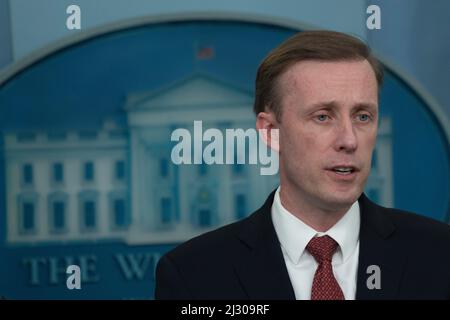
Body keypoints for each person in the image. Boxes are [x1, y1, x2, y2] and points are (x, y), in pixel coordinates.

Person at [154, 30, 450, 300]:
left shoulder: (440, 254)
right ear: (271, 132)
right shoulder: (193, 276)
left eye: (362, 116)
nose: (349, 140)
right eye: (323, 116)